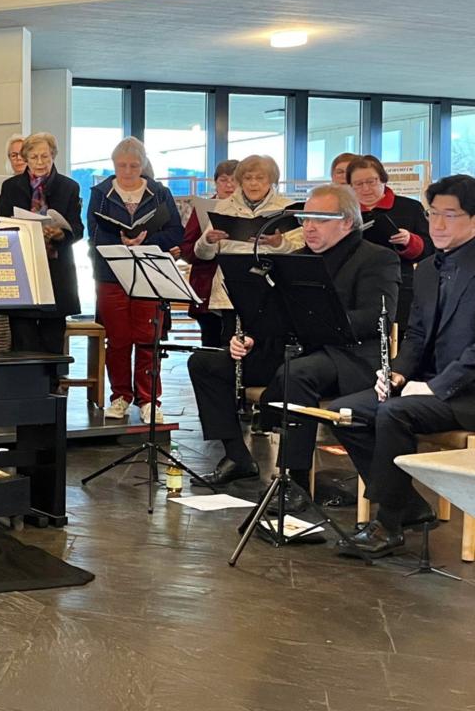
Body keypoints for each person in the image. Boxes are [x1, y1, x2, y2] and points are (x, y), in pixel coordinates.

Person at [189, 185, 399, 488]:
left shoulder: (377, 258)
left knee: (297, 374)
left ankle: (294, 481)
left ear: (347, 222)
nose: (309, 228)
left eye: (320, 220)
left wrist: (318, 323)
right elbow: (270, 315)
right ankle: (237, 455)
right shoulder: (296, 258)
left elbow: (377, 318)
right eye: (305, 219)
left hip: (345, 356)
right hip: (294, 350)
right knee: (205, 362)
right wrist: (250, 337)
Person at [328, 175, 475, 557]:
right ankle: (409, 505)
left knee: (395, 412)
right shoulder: (426, 268)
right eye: (432, 214)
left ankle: (388, 523)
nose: (437, 225)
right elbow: (417, 333)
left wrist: (434, 387)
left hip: (468, 393)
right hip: (430, 386)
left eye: (450, 216)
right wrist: (398, 371)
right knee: (342, 411)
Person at [86, 137, 185, 421]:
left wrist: (146, 238)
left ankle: (149, 399)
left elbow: (175, 232)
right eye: (121, 165)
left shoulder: (159, 192)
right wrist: (119, 238)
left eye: (133, 165)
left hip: (148, 272)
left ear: (143, 165)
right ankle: (120, 396)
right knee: (117, 340)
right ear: (113, 165)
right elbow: (93, 232)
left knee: (147, 338)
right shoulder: (101, 192)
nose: (128, 171)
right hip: (111, 273)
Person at [192, 155, 302, 341]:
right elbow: (202, 254)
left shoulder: (287, 208)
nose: (253, 184)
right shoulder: (223, 207)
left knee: (268, 347)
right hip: (231, 291)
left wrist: (279, 244)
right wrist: (208, 241)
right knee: (231, 349)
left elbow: (300, 251)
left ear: (271, 181)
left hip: (272, 291)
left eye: (260, 178)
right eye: (248, 178)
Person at [0, 132, 83, 353]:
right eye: (34, 157)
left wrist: (60, 234)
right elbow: (0, 225)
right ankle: (25, 387)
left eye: (45, 156)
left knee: (52, 340)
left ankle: (52, 385)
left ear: (53, 155)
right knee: (22, 340)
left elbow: (78, 229)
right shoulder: (11, 187)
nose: (40, 162)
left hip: (56, 272)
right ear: (26, 158)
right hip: (23, 270)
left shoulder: (68, 187)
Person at [346, 154, 431, 327]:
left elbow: (431, 250)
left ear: (383, 179)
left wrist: (410, 241)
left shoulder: (410, 207)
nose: (365, 189)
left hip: (399, 285)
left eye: (371, 181)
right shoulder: (344, 212)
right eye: (358, 184)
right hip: (351, 286)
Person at [181, 159, 239, 346]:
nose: (229, 185)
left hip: (238, 288)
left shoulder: (248, 210)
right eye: (223, 180)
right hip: (206, 287)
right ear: (215, 182)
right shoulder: (203, 209)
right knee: (211, 344)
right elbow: (187, 251)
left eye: (234, 180)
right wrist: (206, 241)